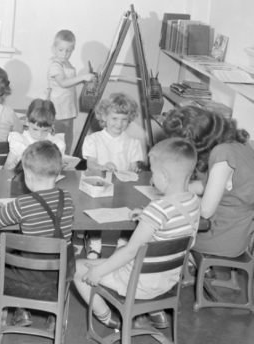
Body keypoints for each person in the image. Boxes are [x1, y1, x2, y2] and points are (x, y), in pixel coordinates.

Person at [74, 138, 201, 330]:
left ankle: (109, 319)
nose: (151, 178)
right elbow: (174, 225)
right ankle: (152, 311)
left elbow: (130, 252)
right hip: (167, 281)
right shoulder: (193, 201)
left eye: (153, 172)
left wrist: (97, 272)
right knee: (122, 249)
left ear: (164, 176)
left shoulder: (158, 209)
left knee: (77, 268)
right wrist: (146, 214)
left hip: (139, 283)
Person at [0, 141, 75, 330]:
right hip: (58, 282)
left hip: (24, 284)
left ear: (28, 176)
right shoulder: (67, 197)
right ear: (58, 173)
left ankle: (22, 310)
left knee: (9, 257)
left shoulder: (22, 204)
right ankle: (55, 316)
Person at [163, 106, 254, 259]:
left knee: (163, 234)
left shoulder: (222, 153)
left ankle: (184, 266)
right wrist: (172, 187)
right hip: (238, 233)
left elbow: (205, 210)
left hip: (220, 235)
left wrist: (175, 198)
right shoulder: (239, 143)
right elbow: (208, 186)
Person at [82, 92, 144, 259]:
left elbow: (134, 165)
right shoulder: (93, 139)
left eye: (124, 119)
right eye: (114, 118)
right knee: (97, 213)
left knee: (129, 213)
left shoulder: (133, 143)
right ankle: (95, 244)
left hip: (124, 188)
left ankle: (123, 244)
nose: (119, 123)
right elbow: (91, 164)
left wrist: (134, 168)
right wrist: (101, 166)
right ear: (104, 116)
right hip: (100, 186)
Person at [47, 30, 93, 154]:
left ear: (73, 49)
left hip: (67, 108)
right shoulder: (55, 65)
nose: (64, 54)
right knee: (58, 141)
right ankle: (59, 160)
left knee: (67, 139)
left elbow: (70, 83)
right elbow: (63, 83)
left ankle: (66, 160)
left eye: (68, 51)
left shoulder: (66, 63)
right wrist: (83, 77)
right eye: (61, 50)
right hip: (59, 110)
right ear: (54, 48)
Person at [4, 98, 65, 170]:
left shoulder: (56, 143)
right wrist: (10, 168)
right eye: (35, 129)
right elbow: (7, 164)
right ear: (27, 121)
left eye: (45, 130)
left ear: (51, 126)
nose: (39, 135)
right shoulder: (20, 141)